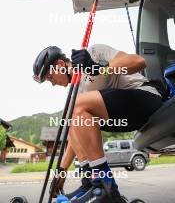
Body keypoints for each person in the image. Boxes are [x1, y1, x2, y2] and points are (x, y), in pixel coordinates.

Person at [33, 44, 163, 203]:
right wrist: (62, 171)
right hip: (124, 117)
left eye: (50, 77)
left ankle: (104, 186)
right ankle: (91, 185)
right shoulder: (76, 91)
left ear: (60, 65)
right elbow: (77, 138)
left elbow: (138, 62)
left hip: (145, 98)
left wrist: (99, 68)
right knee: (72, 118)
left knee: (76, 107)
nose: (52, 83)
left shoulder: (94, 53)